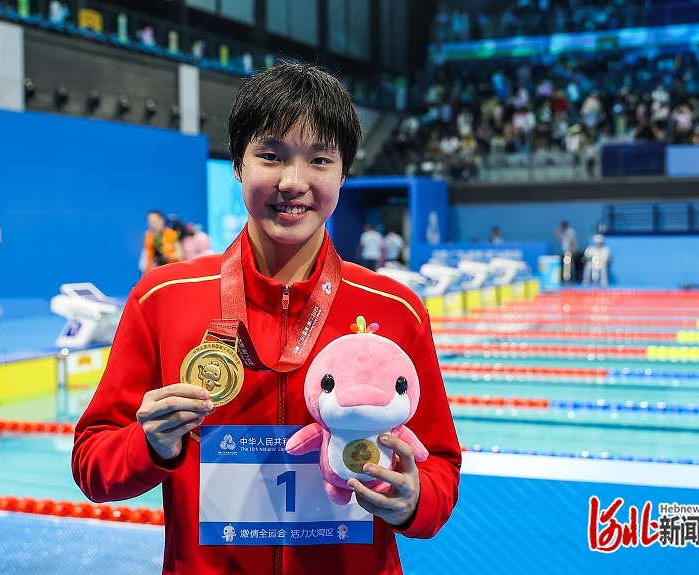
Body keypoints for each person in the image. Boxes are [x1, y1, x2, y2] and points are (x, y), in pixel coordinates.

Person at [72, 63, 461, 575]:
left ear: (343, 173)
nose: (293, 182)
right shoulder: (163, 299)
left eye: (319, 160)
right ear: (238, 164)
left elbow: (440, 466)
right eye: (271, 156)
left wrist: (414, 500)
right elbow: (92, 463)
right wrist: (149, 445)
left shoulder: (394, 308)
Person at [143, 210, 184, 274]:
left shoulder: (171, 234)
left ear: (162, 220)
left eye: (155, 222)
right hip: (156, 271)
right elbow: (147, 257)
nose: (153, 225)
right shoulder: (148, 236)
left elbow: (180, 254)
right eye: (151, 222)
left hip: (173, 269)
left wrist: (167, 257)